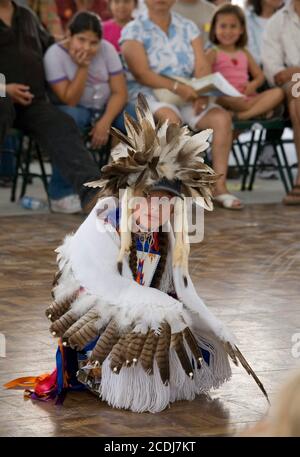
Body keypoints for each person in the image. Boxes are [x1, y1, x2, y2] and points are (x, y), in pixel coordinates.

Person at [5, 96, 269, 413]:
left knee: (187, 329)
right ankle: (98, 372)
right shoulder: (106, 219)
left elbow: (182, 287)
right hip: (97, 303)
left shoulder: (168, 230)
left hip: (140, 298)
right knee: (155, 327)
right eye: (150, 199)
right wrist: (158, 304)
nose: (159, 209)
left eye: (168, 202)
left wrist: (211, 323)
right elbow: (103, 285)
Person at [120, 0, 243, 210]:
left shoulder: (187, 27)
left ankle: (219, 187)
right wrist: (177, 87)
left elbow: (202, 64)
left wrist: (202, 92)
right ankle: (172, 189)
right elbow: (141, 73)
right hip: (149, 95)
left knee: (222, 119)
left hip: (188, 93)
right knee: (171, 119)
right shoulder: (134, 29)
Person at [0, 0, 102, 213]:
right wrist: (5, 88)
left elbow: (48, 42)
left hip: (32, 103)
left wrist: (71, 43)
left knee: (62, 123)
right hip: (2, 98)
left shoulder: (26, 16)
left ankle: (94, 194)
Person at [44, 11, 132, 209]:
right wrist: (83, 67)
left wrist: (105, 121)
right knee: (68, 119)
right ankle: (61, 193)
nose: (87, 47)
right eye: (81, 40)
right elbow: (70, 99)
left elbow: (120, 92)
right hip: (76, 109)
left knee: (134, 114)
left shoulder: (108, 50)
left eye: (93, 43)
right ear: (69, 35)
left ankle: (131, 186)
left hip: (106, 108)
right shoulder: (54, 55)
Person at [205, 4, 284, 121]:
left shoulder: (244, 52)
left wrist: (253, 85)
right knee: (235, 102)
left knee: (279, 93)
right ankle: (259, 112)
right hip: (224, 99)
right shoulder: (212, 53)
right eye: (222, 26)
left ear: (241, 29)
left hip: (247, 97)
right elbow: (204, 79)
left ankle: (242, 116)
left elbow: (260, 76)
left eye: (233, 26)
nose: (228, 31)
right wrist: (222, 94)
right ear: (214, 28)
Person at [261, 0, 300, 205]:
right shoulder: (277, 22)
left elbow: (289, 72)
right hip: (290, 89)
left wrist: (295, 69)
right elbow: (275, 73)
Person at [246, 0, 283, 66]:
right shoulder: (247, 18)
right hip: (258, 70)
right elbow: (252, 53)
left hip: (288, 71)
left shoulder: (287, 18)